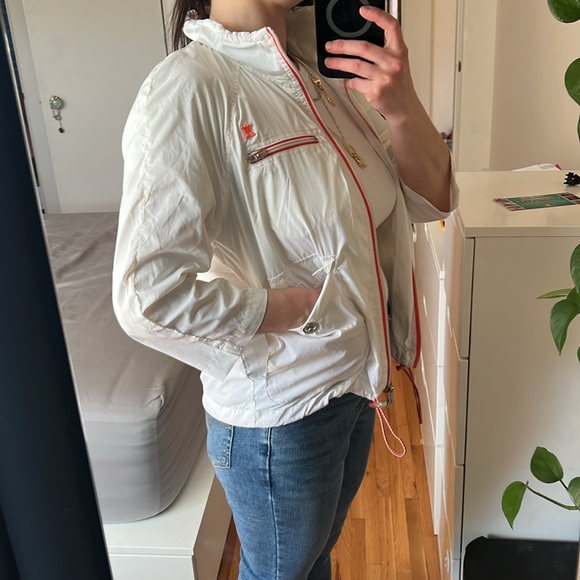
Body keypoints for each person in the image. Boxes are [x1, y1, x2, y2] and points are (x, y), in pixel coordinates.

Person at [112, 1, 458, 578]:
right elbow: (147, 298)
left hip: (356, 389)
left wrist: (401, 106)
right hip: (281, 421)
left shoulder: (320, 75)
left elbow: (432, 200)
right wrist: (302, 310)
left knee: (313, 563)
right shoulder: (189, 87)